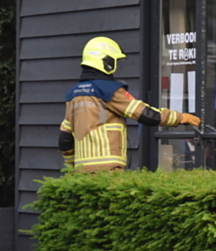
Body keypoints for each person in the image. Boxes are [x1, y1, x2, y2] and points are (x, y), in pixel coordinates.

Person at [58, 37, 201, 172]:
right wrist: (179, 117)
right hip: (108, 169)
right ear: (107, 61)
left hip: (81, 170)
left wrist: (71, 166)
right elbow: (144, 114)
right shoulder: (109, 90)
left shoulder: (73, 95)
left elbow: (64, 138)